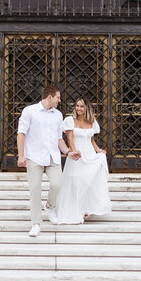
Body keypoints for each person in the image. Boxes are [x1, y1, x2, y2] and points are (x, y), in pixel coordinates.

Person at [17, 83, 79, 237]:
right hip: (34, 157)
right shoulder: (29, 111)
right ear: (50, 97)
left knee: (57, 184)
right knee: (35, 190)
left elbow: (59, 139)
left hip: (53, 157)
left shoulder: (58, 115)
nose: (59, 100)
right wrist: (21, 155)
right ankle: (36, 223)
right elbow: (21, 134)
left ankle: (50, 206)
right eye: (58, 97)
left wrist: (68, 152)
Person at [52, 96, 112, 224]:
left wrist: (98, 150)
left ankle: (84, 208)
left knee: (87, 182)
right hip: (76, 155)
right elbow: (69, 139)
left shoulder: (92, 122)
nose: (79, 108)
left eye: (81, 106)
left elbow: (92, 140)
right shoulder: (69, 121)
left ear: (86, 108)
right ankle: (73, 211)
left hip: (89, 154)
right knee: (75, 183)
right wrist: (74, 152)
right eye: (77, 106)